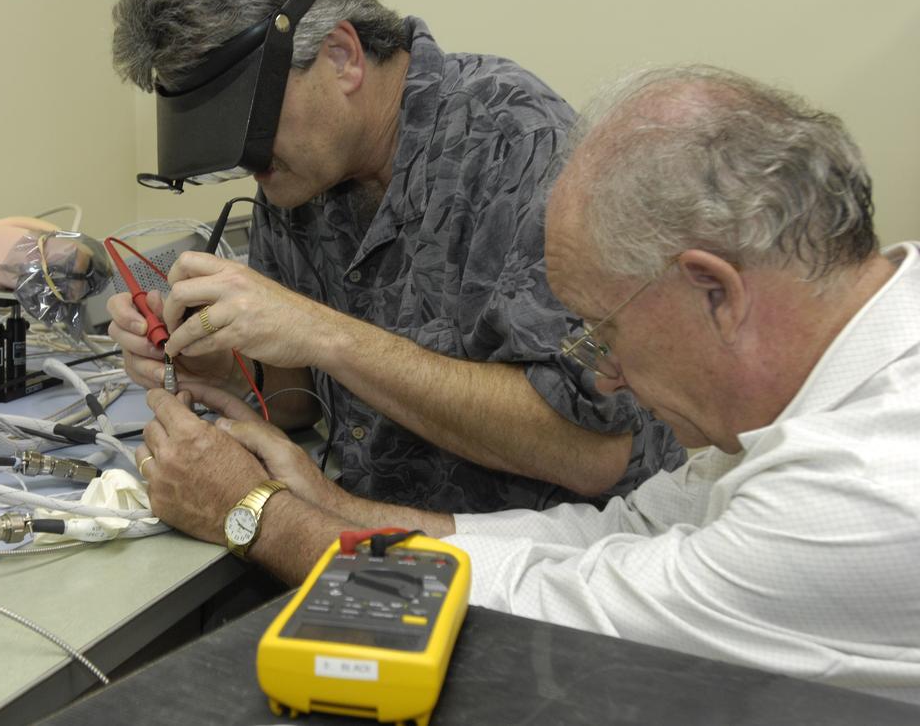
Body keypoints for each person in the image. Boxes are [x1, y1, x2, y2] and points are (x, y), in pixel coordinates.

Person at [139, 64, 920, 703]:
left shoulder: (867, 485)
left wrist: (254, 515)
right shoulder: (844, 362)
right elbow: (618, 533)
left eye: (603, 331)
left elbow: (555, 611)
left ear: (714, 292)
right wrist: (334, 507)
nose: (606, 376)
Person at [109, 0, 681, 515]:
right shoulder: (299, 171)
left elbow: (592, 451)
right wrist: (223, 368)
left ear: (342, 56)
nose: (246, 160)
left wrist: (323, 332)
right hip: (374, 543)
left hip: (553, 572)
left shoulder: (515, 141)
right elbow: (303, 399)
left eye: (249, 126)